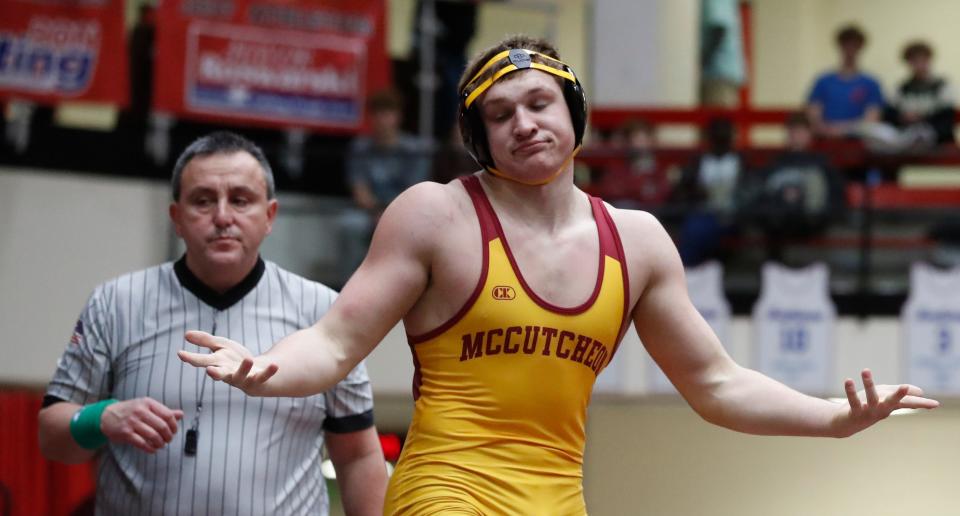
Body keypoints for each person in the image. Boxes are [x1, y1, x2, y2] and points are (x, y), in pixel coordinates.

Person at [179, 36, 939, 515]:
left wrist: (831, 419)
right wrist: (266, 369)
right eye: (501, 115)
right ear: (481, 140)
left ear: (571, 110)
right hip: (447, 490)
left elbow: (716, 384)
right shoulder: (434, 214)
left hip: (557, 497)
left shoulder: (637, 240)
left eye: (539, 102)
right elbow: (336, 341)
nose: (525, 123)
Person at [38, 132, 387, 515]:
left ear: (269, 215)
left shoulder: (323, 310)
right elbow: (52, 438)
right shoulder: (116, 304)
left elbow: (357, 456)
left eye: (240, 200)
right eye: (203, 201)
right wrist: (101, 418)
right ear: (177, 218)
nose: (222, 217)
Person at [338, 88, 430, 284]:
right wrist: (376, 212)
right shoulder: (360, 147)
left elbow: (413, 192)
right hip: (368, 212)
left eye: (387, 113)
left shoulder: (414, 150)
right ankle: (347, 286)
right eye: (377, 113)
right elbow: (359, 190)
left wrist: (389, 215)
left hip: (405, 211)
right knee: (349, 225)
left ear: (398, 117)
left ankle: (405, 285)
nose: (382, 119)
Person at [747, 112, 846, 261]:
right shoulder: (776, 163)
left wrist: (802, 198)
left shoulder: (821, 163)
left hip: (811, 220)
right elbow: (761, 193)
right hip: (779, 221)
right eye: (793, 131)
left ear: (809, 134)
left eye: (801, 131)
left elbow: (835, 195)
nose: (796, 136)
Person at [671, 116, 745, 266]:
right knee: (694, 227)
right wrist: (699, 192)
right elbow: (684, 189)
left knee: (696, 229)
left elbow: (748, 191)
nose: (721, 139)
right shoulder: (699, 161)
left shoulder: (741, 161)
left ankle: (686, 269)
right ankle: (686, 270)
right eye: (717, 135)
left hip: (733, 216)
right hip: (704, 213)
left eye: (725, 135)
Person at [806, 24, 885, 138]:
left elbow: (872, 119)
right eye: (846, 45)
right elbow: (813, 115)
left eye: (854, 45)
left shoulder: (871, 83)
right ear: (839, 46)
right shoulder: (823, 81)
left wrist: (843, 130)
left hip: (859, 143)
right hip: (825, 141)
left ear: (860, 48)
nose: (850, 49)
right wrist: (827, 130)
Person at [886, 41, 956, 148]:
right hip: (906, 137)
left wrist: (922, 118)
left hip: (937, 139)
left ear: (929, 60)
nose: (919, 64)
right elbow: (890, 114)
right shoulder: (901, 88)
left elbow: (947, 117)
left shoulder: (942, 86)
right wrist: (903, 118)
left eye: (922, 60)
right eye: (914, 61)